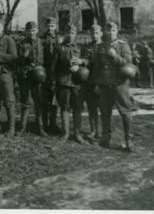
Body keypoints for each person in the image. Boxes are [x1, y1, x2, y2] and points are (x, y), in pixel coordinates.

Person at [93, 21, 134, 152]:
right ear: (105, 31)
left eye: (113, 30)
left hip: (119, 84)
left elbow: (128, 63)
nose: (111, 32)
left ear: (117, 31)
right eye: (108, 30)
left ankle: (129, 140)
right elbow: (97, 67)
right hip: (105, 84)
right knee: (105, 113)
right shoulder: (101, 46)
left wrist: (115, 56)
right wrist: (97, 83)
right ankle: (106, 138)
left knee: (125, 112)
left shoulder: (123, 46)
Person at [55, 24, 85, 143]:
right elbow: (55, 65)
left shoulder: (80, 47)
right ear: (65, 34)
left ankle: (77, 133)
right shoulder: (60, 47)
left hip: (77, 81)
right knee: (64, 107)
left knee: (77, 108)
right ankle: (66, 132)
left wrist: (80, 62)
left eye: (72, 33)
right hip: (64, 80)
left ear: (76, 34)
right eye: (68, 33)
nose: (70, 35)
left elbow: (88, 60)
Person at [16, 21, 46, 136]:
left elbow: (47, 59)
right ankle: (22, 127)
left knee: (39, 102)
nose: (31, 33)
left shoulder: (42, 43)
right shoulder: (21, 44)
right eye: (29, 30)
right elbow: (18, 62)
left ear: (37, 30)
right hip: (27, 75)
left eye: (33, 30)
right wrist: (24, 56)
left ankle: (40, 128)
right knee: (26, 102)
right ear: (26, 31)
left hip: (39, 75)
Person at [81, 23, 103, 139]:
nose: (94, 35)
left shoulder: (105, 46)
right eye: (92, 33)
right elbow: (85, 60)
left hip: (103, 82)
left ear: (101, 33)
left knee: (104, 108)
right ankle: (94, 130)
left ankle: (104, 132)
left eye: (96, 33)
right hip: (90, 81)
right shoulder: (87, 47)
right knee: (92, 107)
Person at [40, 16, 60, 134]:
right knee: (43, 99)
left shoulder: (59, 39)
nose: (50, 28)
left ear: (56, 27)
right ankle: (44, 124)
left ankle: (53, 123)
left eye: (52, 26)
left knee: (54, 99)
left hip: (56, 72)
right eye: (48, 26)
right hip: (44, 71)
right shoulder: (41, 40)